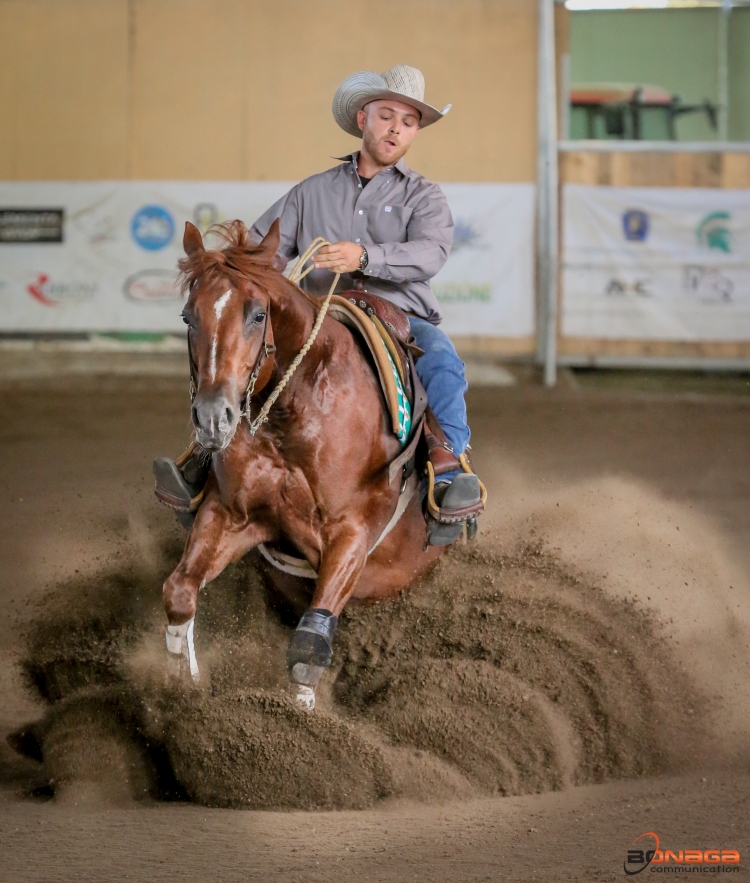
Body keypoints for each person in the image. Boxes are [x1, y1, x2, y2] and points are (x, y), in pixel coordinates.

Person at [154, 64, 482, 542]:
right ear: (363, 118)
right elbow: (261, 257)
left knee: (443, 364)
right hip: (319, 319)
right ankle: (207, 458)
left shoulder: (424, 196)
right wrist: (223, 269)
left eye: (408, 122)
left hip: (400, 318)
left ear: (414, 133)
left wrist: (364, 256)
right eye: (387, 115)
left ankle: (448, 469)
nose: (395, 128)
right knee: (251, 362)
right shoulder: (311, 192)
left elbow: (430, 253)